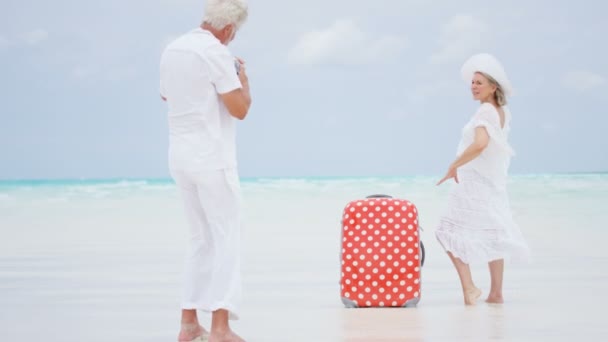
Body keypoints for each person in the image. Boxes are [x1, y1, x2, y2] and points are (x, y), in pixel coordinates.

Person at [159, 0, 251, 341]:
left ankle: (187, 323)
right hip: (212, 158)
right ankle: (220, 328)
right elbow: (239, 108)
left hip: (179, 157)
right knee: (228, 237)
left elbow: (167, 97)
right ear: (229, 29)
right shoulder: (216, 53)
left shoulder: (173, 49)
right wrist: (243, 80)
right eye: (234, 33)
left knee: (200, 239)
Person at [435, 53, 529, 306]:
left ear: (493, 86)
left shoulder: (485, 111)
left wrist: (454, 165)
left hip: (473, 182)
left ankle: (469, 288)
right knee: (493, 234)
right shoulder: (502, 111)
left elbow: (480, 144)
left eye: (479, 82)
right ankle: (496, 293)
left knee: (444, 231)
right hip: (491, 182)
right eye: (473, 82)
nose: (473, 87)